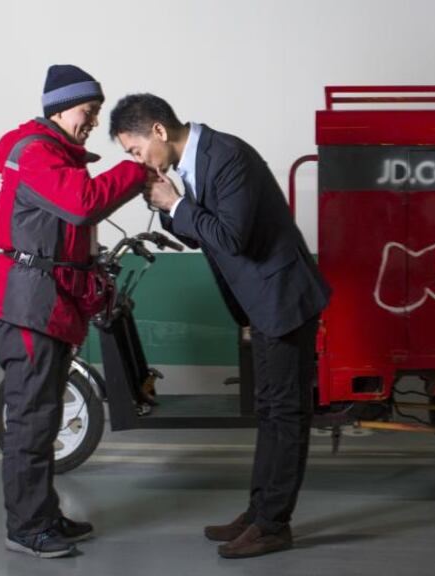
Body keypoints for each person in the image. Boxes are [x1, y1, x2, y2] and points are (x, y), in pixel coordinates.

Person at [110, 93, 331, 559]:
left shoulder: (226, 156)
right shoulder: (196, 161)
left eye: (135, 150)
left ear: (158, 130)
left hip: (283, 298)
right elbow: (205, 233)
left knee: (285, 413)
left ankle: (273, 525)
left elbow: (231, 238)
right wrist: (169, 207)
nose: (137, 160)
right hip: (262, 302)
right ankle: (259, 513)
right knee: (269, 411)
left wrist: (176, 203)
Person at [0, 65, 148, 558]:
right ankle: (26, 529)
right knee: (32, 420)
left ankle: (42, 513)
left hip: (47, 303)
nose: (94, 121)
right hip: (28, 306)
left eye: (96, 111)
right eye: (88, 110)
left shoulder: (56, 155)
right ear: (59, 109)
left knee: (46, 416)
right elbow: (81, 204)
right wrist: (139, 170)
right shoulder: (35, 153)